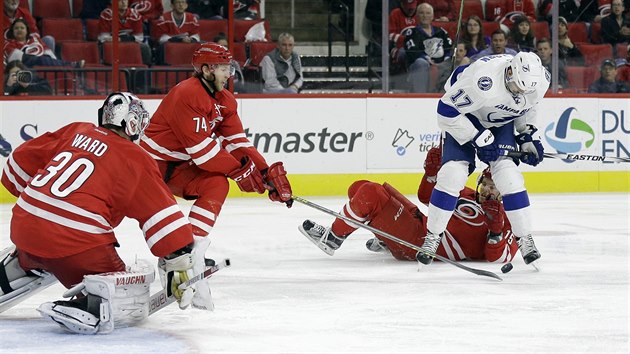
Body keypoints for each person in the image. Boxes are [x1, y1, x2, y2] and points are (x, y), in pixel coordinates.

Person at [0, 93, 197, 334]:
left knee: (39, 247)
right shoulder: (135, 158)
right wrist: (178, 261)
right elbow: (160, 214)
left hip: (23, 226)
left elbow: (17, 164)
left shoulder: (76, 131)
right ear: (134, 123)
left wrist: (40, 208)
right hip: (77, 245)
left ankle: (18, 267)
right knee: (126, 291)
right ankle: (93, 304)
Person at [139, 43, 293, 311]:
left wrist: (265, 172)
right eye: (223, 68)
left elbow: (238, 143)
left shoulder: (225, 100)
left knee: (216, 183)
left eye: (228, 67)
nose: (228, 73)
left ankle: (189, 251)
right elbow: (202, 153)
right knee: (138, 212)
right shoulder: (187, 94)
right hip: (151, 168)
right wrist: (239, 170)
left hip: (180, 166)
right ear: (207, 69)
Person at [415, 51, 549, 268]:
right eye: (516, 87)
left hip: (498, 121)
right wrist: (478, 138)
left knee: (510, 176)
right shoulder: (483, 81)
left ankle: (525, 238)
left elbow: (527, 105)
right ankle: (433, 236)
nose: (519, 92)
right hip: (466, 117)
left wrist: (527, 136)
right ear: (509, 73)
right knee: (452, 175)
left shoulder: (540, 80)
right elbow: (445, 112)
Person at [299, 146, 519, 263]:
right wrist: (431, 174)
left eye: (495, 187)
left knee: (370, 194)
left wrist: (495, 231)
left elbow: (498, 258)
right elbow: (427, 197)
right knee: (359, 188)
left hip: (420, 245)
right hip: (419, 227)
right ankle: (386, 238)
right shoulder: (467, 194)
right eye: (486, 184)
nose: (488, 191)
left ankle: (332, 238)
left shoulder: (510, 218)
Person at [403, 3, 453, 93]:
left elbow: (449, 49)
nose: (425, 16)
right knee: (421, 62)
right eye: (421, 13)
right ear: (417, 16)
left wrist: (445, 61)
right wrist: (426, 59)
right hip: (422, 64)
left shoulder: (441, 31)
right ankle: (420, 95)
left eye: (428, 13)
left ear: (432, 16)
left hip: (442, 64)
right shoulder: (412, 32)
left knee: (452, 63)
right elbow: (412, 52)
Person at [3, 19, 84, 68]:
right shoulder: (8, 44)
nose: (19, 30)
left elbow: (48, 52)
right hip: (22, 67)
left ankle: (67, 66)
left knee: (45, 59)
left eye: (22, 28)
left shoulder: (34, 39)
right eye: (16, 28)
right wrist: (37, 57)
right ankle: (69, 65)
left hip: (40, 64)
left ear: (27, 30)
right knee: (38, 59)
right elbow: (18, 58)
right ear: (12, 32)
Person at [98, 0, 152, 66]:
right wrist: (128, 38)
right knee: (104, 48)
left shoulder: (135, 14)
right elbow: (103, 38)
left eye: (125, 0)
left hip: (128, 43)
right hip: (112, 44)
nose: (124, 3)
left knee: (145, 47)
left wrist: (120, 39)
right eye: (120, 0)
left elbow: (139, 37)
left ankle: (145, 71)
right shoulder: (106, 14)